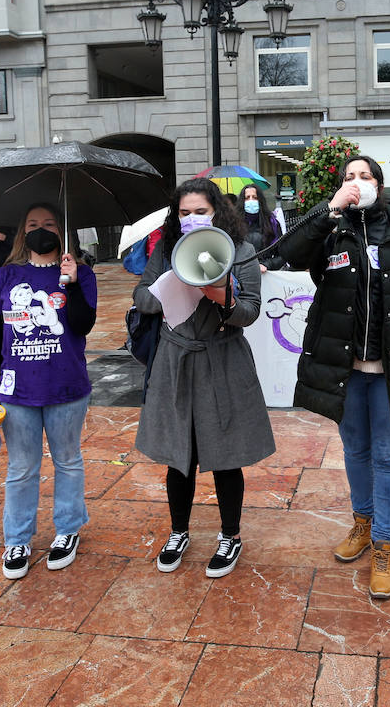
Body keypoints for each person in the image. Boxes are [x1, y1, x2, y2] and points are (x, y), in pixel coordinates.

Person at [279, 155, 390, 600]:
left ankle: (384, 545)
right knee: (355, 450)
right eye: (350, 177)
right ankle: (362, 522)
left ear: (380, 183)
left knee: (389, 457)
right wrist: (329, 210)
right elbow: (290, 254)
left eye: (365, 176)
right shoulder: (332, 227)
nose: (358, 183)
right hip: (346, 368)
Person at [133, 178, 274, 580]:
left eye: (201, 211)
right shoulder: (166, 250)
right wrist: (173, 285)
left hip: (223, 360)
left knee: (225, 453)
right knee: (181, 455)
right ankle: (179, 531)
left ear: (217, 212)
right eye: (185, 213)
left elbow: (249, 311)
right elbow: (141, 298)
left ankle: (230, 535)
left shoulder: (240, 251)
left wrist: (220, 294)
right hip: (176, 361)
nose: (192, 219)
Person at [0, 203, 97, 579]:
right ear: (22, 232)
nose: (40, 230)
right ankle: (17, 538)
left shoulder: (82, 274)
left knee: (67, 461)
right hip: (18, 390)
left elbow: (83, 324)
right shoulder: (6, 275)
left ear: (62, 231)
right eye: (33, 224)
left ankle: (67, 529)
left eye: (49, 224)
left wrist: (73, 282)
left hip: (67, 385)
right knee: (21, 468)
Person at [240, 183, 284, 272]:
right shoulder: (234, 224)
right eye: (247, 197)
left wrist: (267, 265)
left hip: (266, 274)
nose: (251, 200)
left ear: (260, 200)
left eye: (255, 197)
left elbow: (282, 256)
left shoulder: (272, 223)